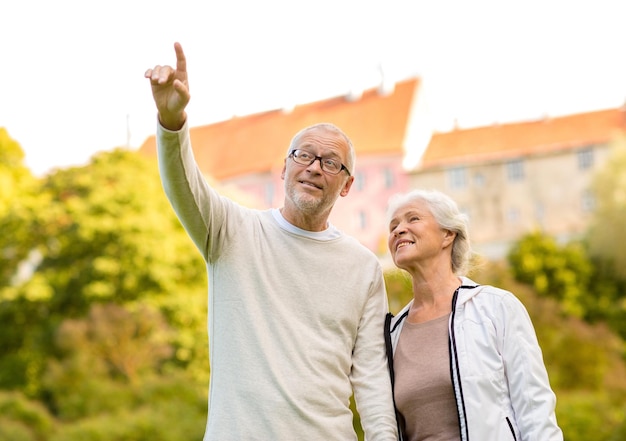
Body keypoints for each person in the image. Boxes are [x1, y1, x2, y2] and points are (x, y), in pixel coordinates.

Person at [144, 42, 398, 440]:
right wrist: (172, 120)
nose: (314, 167)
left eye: (330, 162)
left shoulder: (363, 267)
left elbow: (371, 376)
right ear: (284, 168)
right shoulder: (231, 232)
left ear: (347, 185)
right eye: (303, 156)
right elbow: (183, 186)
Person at [384, 189, 563, 441]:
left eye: (413, 219)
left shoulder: (496, 307)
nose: (398, 229)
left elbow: (536, 409)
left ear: (448, 234)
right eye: (394, 225)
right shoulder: (392, 333)